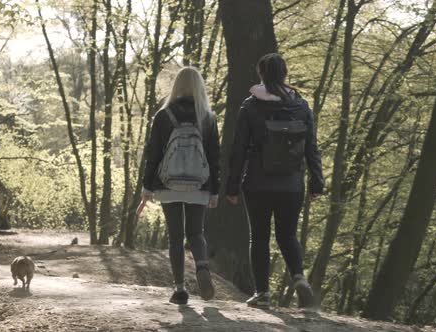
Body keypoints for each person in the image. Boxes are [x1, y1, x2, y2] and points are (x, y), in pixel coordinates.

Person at [226, 53, 324, 309]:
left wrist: (232, 185)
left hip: (258, 183)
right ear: (284, 74)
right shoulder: (301, 106)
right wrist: (316, 182)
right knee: (288, 235)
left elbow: (239, 148)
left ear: (261, 74)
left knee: (259, 237)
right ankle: (299, 278)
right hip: (292, 184)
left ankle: (263, 294)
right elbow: (311, 147)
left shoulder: (250, 105)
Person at [137, 66, 220, 305]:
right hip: (199, 184)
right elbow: (214, 157)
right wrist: (214, 190)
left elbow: (153, 154)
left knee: (175, 237)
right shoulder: (207, 117)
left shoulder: (164, 116)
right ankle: (202, 268)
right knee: (196, 232)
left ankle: (180, 289)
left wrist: (147, 186)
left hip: (168, 183)